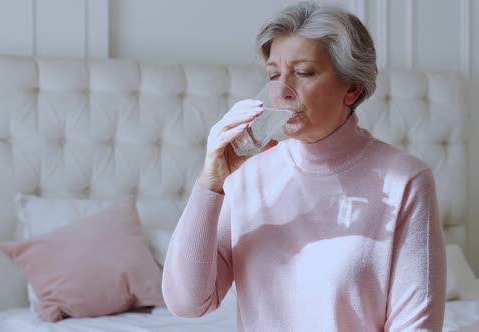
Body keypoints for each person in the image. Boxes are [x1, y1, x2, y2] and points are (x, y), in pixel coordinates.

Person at [162, 1, 446, 331]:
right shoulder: (247, 176)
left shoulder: (406, 180)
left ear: (351, 88)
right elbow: (188, 303)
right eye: (273, 75)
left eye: (303, 73)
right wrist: (210, 184)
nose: (282, 91)